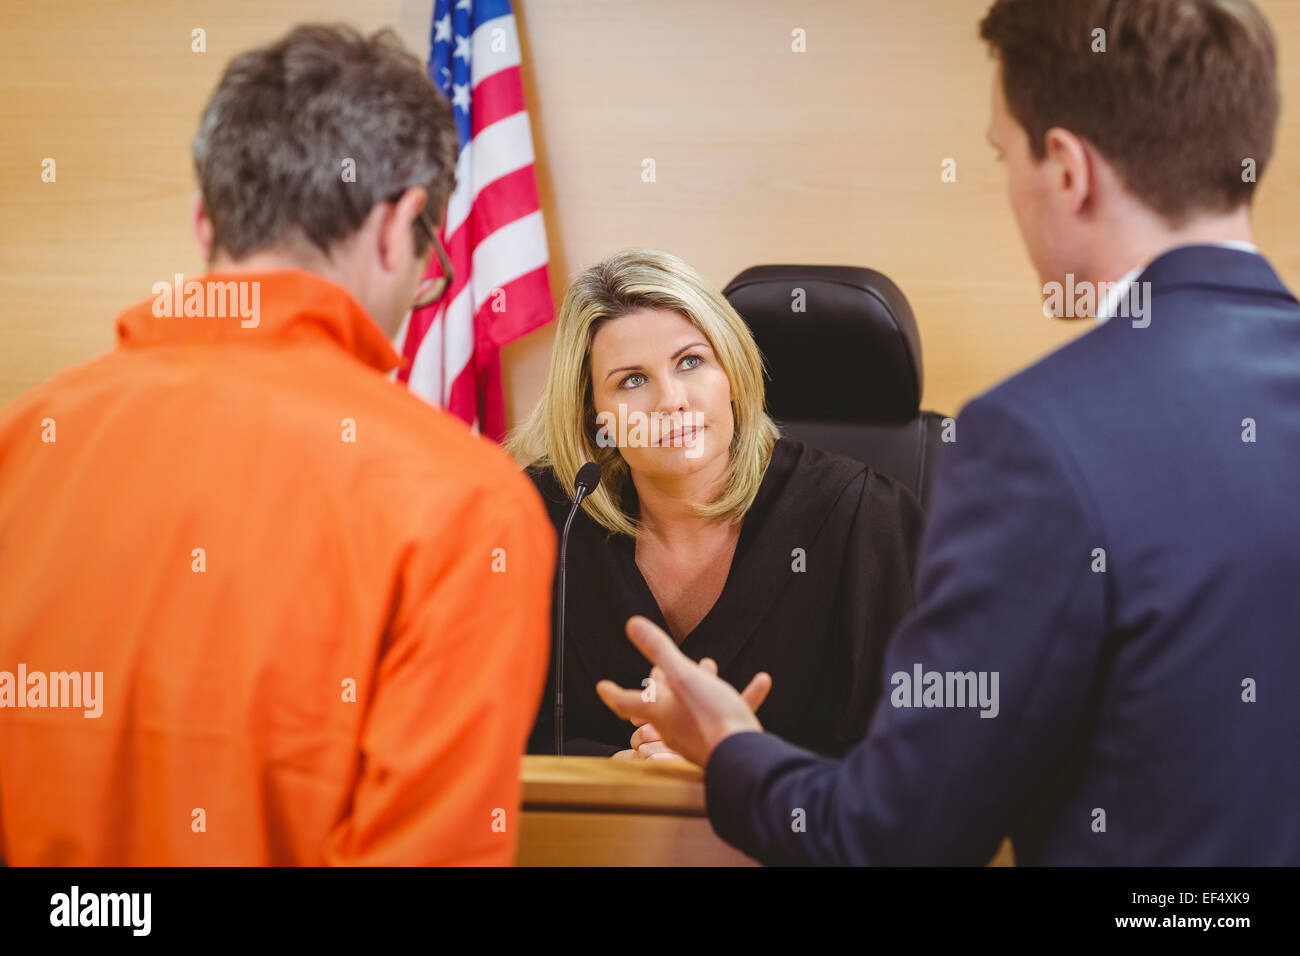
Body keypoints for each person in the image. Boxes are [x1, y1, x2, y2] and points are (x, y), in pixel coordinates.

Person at [595, 0, 1300, 865]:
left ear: (1068, 171)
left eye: (1006, 156)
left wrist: (733, 748)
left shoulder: (1035, 440)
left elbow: (895, 838)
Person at [0, 25, 554, 865]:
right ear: (397, 226)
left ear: (203, 222)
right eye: (429, 260)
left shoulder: (22, 442)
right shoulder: (468, 507)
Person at [507, 249, 922, 758]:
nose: (671, 401)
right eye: (631, 380)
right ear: (594, 413)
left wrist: (739, 759)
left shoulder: (862, 517)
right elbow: (490, 736)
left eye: (690, 362)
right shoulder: (546, 518)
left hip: (788, 835)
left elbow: (914, 759)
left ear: (733, 372)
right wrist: (614, 776)